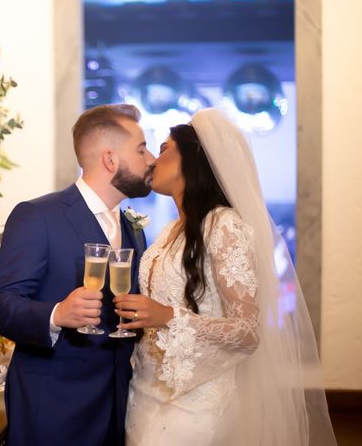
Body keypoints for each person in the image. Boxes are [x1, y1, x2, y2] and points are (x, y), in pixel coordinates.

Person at [114, 108, 336, 445]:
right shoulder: (170, 231)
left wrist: (168, 316)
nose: (153, 161)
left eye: (163, 149)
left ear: (193, 159)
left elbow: (248, 331)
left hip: (195, 403)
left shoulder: (225, 226)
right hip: (144, 392)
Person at [0, 103, 155, 446]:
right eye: (141, 148)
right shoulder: (37, 216)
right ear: (110, 159)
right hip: (54, 410)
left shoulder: (131, 227)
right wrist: (56, 314)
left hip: (119, 407)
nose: (151, 159)